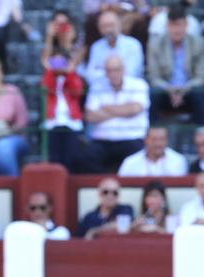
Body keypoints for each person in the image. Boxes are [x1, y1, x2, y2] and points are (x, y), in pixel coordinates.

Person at [84, 54, 150, 173]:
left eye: (116, 69)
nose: (113, 74)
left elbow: (135, 109)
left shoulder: (138, 84)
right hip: (102, 140)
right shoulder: (97, 86)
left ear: (123, 69)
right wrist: (124, 110)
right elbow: (90, 116)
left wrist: (106, 108)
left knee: (138, 159)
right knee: (87, 157)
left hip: (132, 138)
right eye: (109, 70)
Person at [147, 5, 204, 127]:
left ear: (186, 25)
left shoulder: (198, 43)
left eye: (179, 25)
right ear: (167, 25)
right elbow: (154, 77)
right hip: (165, 92)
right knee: (153, 95)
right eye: (172, 25)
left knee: (200, 95)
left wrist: (182, 90)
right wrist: (170, 90)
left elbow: (202, 76)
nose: (176, 30)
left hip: (189, 90)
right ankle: (153, 136)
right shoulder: (155, 45)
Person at [41, 11, 85, 172]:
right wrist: (49, 37)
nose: (61, 28)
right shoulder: (49, 49)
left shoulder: (78, 47)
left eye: (64, 24)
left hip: (72, 104)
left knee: (71, 156)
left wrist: (67, 41)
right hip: (53, 111)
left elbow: (76, 85)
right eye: (57, 24)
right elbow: (46, 73)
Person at [85, 10, 144, 87]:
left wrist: (102, 72)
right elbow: (90, 76)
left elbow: (131, 73)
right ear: (99, 29)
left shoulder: (133, 45)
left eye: (111, 25)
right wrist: (116, 72)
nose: (108, 30)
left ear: (119, 25)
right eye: (104, 26)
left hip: (129, 90)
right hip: (103, 90)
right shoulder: (96, 47)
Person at [118, 126, 188, 176]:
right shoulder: (130, 162)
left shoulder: (178, 161)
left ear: (167, 140)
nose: (158, 144)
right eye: (154, 139)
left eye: (162, 139)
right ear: (146, 140)